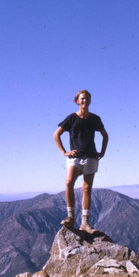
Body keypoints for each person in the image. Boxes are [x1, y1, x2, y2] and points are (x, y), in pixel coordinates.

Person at [53, 90, 109, 233]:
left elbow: (105, 135)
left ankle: (85, 223)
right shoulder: (71, 118)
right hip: (75, 158)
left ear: (90, 101)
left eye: (87, 99)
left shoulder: (95, 119)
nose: (84, 101)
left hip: (90, 156)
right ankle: (71, 217)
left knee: (86, 189)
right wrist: (64, 152)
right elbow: (56, 135)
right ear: (77, 101)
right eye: (82, 99)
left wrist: (102, 152)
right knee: (69, 183)